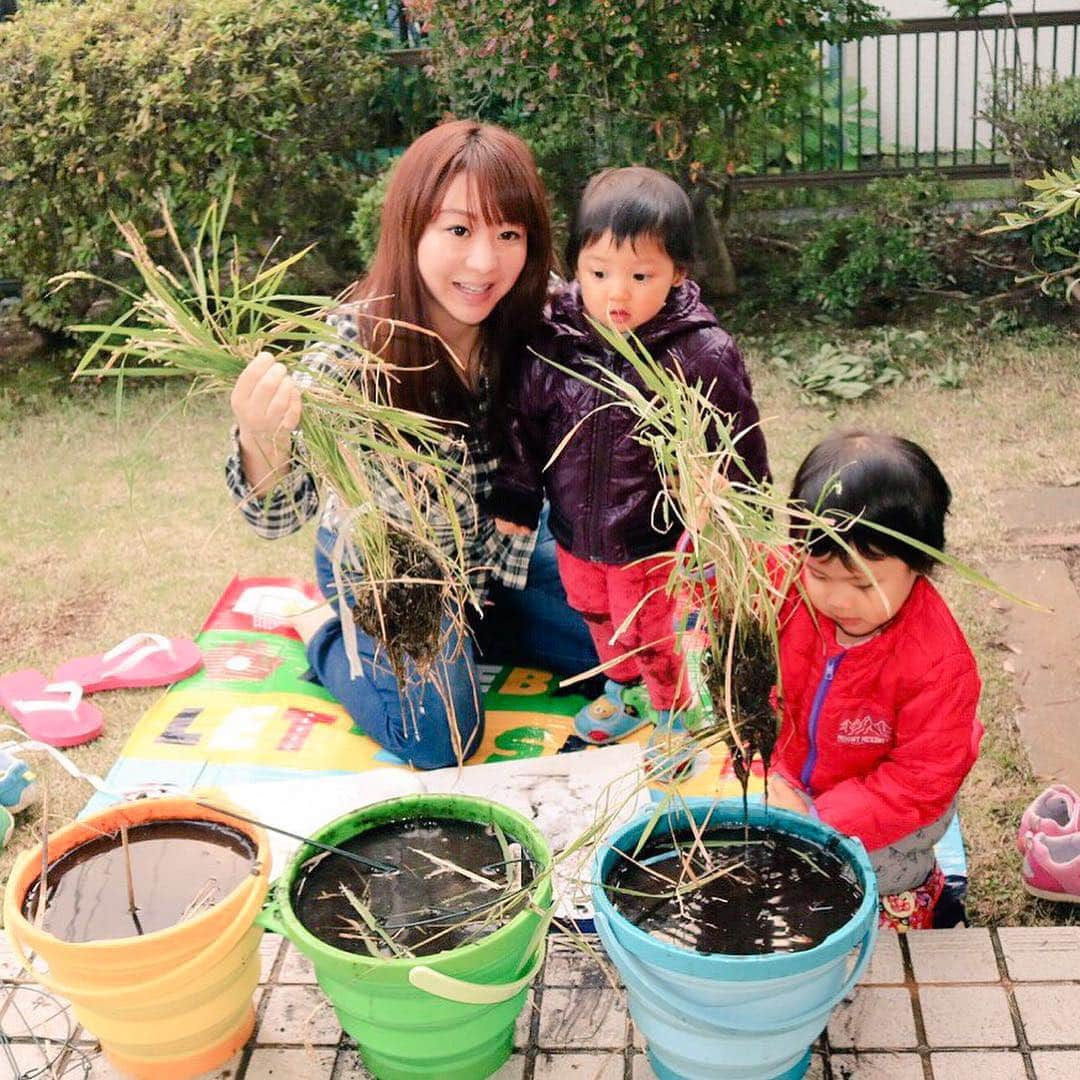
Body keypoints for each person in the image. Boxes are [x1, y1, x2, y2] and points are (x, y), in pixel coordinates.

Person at [225, 120, 598, 770]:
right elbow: (275, 515)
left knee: (635, 650)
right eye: (458, 230)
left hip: (503, 547)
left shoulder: (541, 318)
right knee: (439, 737)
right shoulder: (354, 344)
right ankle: (324, 635)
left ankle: (474, 632)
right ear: (412, 227)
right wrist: (263, 438)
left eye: (507, 234)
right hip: (398, 567)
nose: (484, 262)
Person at [489, 166, 770, 753]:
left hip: (651, 538)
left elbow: (739, 438)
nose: (618, 293)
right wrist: (516, 496)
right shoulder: (556, 340)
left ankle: (672, 715)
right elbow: (523, 422)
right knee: (593, 613)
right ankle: (623, 691)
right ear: (574, 266)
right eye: (599, 273)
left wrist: (742, 508)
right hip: (573, 531)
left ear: (678, 273)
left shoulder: (699, 352)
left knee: (651, 631)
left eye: (641, 275)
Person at [769, 431, 984, 930]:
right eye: (820, 576)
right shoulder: (789, 586)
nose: (838, 600)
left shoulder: (937, 663)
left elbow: (917, 783)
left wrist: (821, 819)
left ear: (919, 564)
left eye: (864, 584)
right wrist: (710, 536)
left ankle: (922, 899)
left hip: (895, 812)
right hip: (802, 775)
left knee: (875, 877)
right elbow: (729, 583)